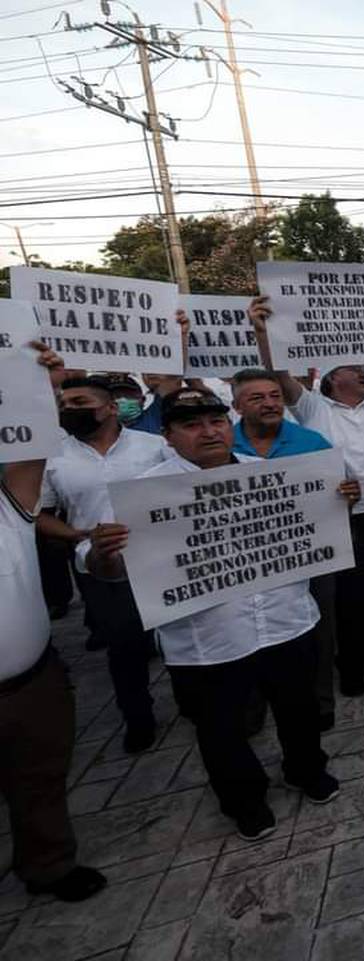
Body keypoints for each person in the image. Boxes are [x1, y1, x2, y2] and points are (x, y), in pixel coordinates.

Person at [84, 388, 347, 841]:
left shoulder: (275, 475)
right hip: (208, 641)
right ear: (168, 436)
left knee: (299, 710)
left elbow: (320, 522)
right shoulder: (142, 494)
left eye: (216, 421)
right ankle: (244, 801)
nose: (208, 432)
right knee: (220, 730)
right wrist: (104, 557)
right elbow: (97, 560)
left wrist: (342, 498)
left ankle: (305, 770)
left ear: (230, 424)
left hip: (288, 622)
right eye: (192, 424)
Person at [249, 296, 364, 696]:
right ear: (331, 380)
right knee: (354, 599)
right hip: (346, 517)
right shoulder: (312, 408)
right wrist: (263, 331)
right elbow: (278, 373)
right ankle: (352, 663)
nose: (361, 372)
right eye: (352, 368)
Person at [0, 340, 107, 901]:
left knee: (39, 779)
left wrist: (35, 391)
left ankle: (49, 866)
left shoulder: (7, 502)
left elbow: (29, 449)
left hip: (30, 681)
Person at [39, 374, 170, 752]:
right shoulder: (53, 457)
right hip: (99, 568)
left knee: (172, 636)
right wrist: (79, 537)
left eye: (80, 403)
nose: (70, 410)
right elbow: (41, 514)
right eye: (65, 405)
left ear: (111, 408)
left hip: (161, 560)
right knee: (124, 646)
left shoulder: (153, 446)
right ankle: (138, 718)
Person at [230, 367, 343, 731]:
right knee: (246, 636)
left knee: (320, 632)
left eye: (275, 396)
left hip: (309, 558)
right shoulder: (221, 447)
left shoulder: (312, 443)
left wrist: (348, 496)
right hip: (242, 563)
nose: (269, 403)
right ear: (236, 405)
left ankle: (320, 701)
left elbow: (336, 494)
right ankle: (251, 708)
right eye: (257, 398)